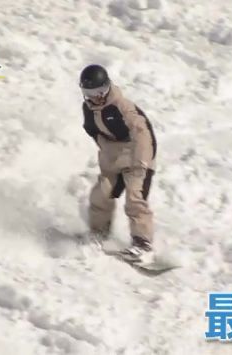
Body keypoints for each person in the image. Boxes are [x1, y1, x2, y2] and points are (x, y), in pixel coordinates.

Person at [79, 64, 157, 263]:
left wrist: (142, 163)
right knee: (101, 194)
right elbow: (93, 132)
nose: (94, 96)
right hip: (114, 160)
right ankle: (99, 234)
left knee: (134, 198)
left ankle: (143, 244)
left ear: (107, 87)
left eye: (99, 91)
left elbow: (143, 134)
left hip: (139, 156)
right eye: (89, 92)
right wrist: (107, 154)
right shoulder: (88, 110)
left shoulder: (122, 107)